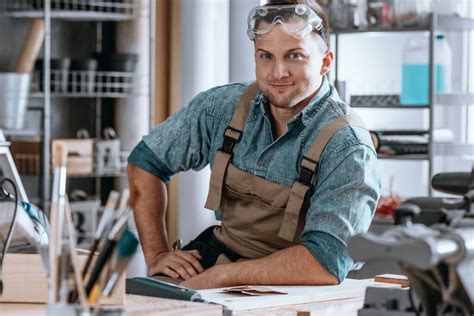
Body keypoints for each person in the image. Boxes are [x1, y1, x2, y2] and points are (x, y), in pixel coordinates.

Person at [127, 0, 380, 290]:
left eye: (294, 56)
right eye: (266, 56)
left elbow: (327, 261)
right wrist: (157, 254)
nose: (277, 72)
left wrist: (223, 277)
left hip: (299, 287)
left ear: (325, 62)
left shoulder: (347, 146)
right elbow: (145, 160)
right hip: (220, 259)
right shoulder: (221, 108)